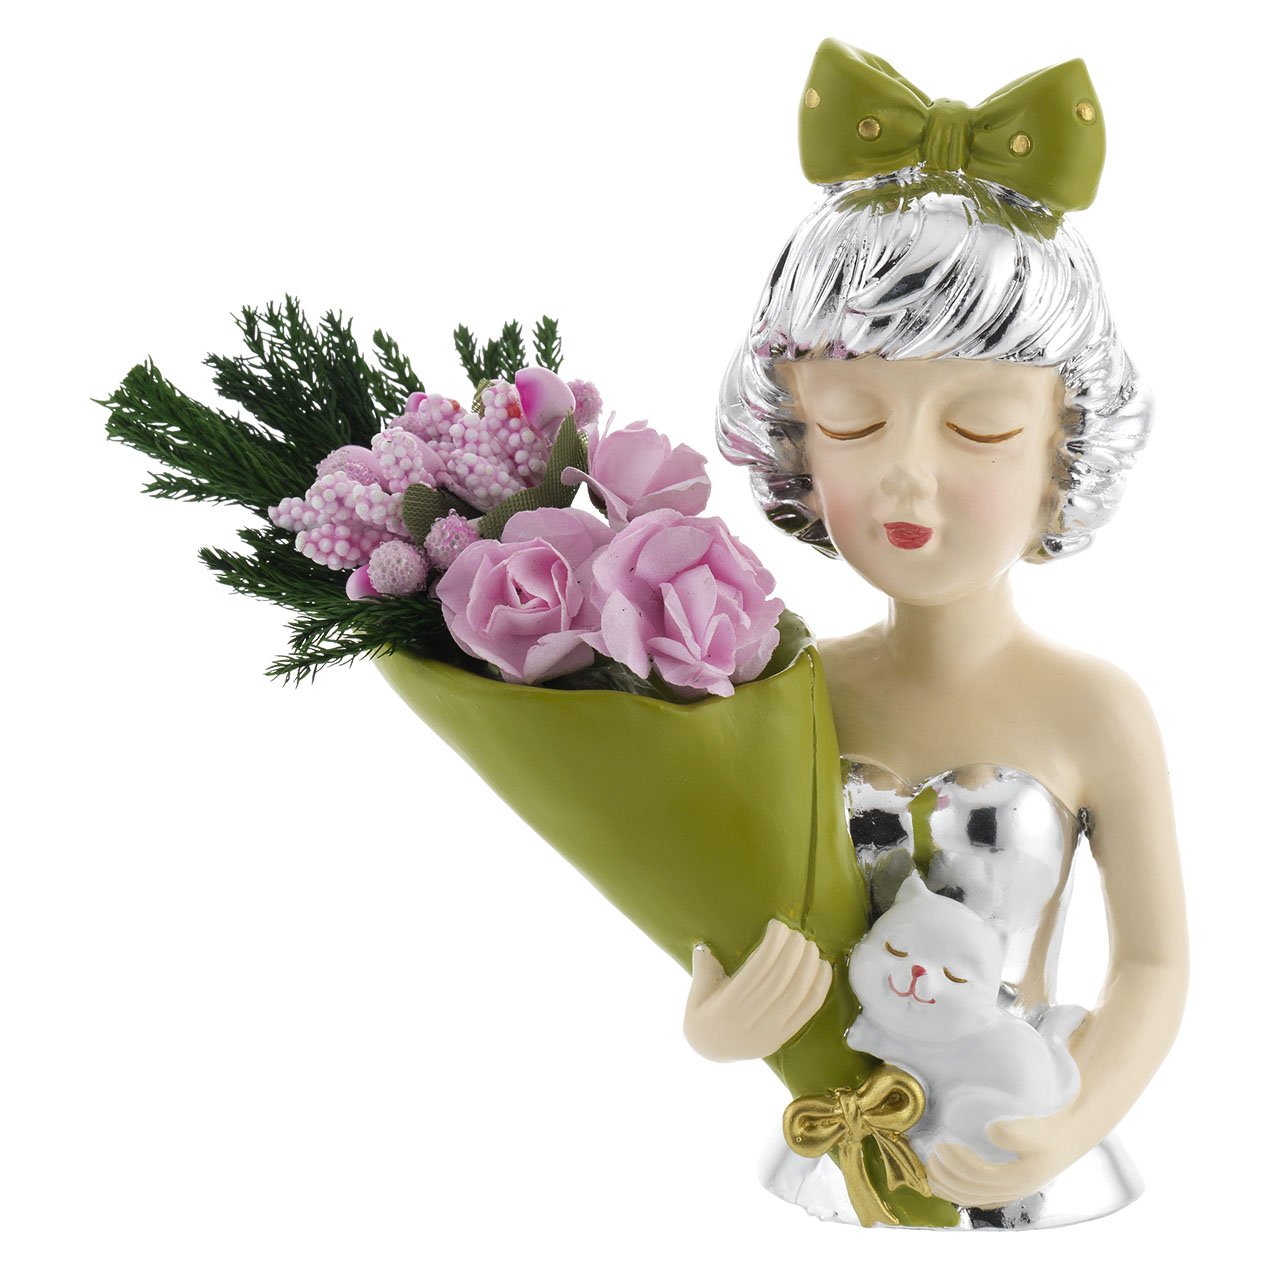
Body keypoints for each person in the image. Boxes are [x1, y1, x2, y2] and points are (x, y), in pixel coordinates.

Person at [689, 48, 1189, 1227]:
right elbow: (718, 907)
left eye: (978, 427)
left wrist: (1067, 1119)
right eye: (853, 420)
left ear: (1062, 447)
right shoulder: (785, 690)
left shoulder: (1094, 713)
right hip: (831, 1161)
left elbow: (1152, 963)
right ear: (794, 439)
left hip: (1020, 1152)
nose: (905, 474)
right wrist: (716, 1018)